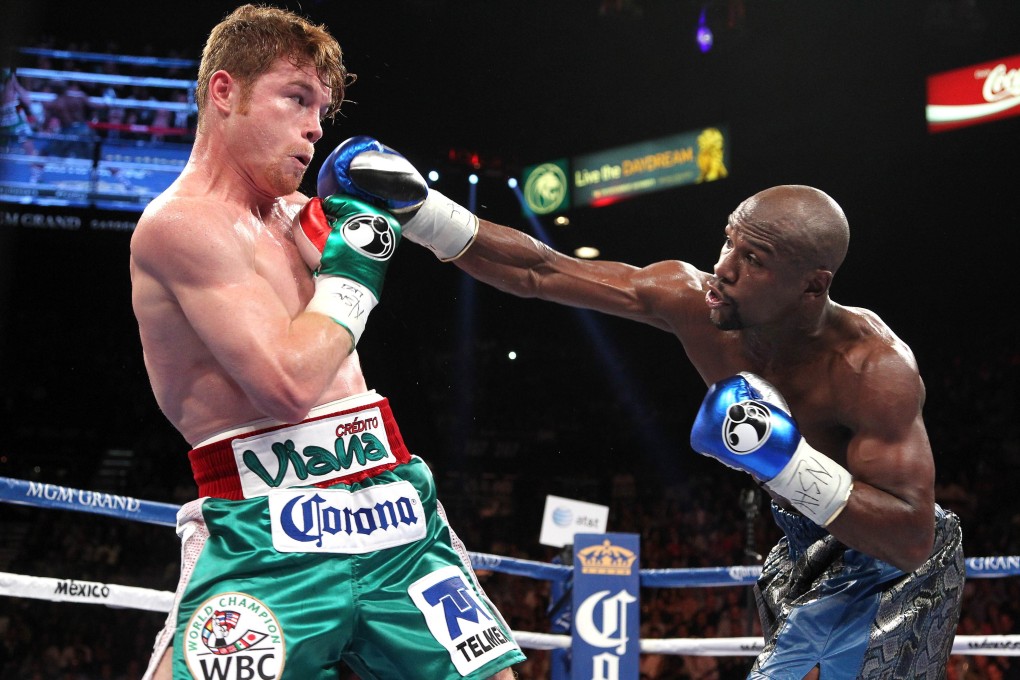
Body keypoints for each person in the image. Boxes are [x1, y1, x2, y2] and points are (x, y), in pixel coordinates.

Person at [325, 139, 966, 679]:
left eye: (753, 259)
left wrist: (786, 461)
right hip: (805, 547)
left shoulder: (872, 370)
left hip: (893, 574)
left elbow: (911, 535)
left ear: (812, 286)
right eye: (728, 243)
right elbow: (541, 273)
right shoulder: (693, 300)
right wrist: (422, 211)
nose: (723, 268)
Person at [129, 7, 524, 680]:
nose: (316, 127)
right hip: (268, 526)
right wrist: (357, 273)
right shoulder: (182, 226)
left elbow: (484, 257)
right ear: (225, 92)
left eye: (323, 108)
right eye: (297, 98)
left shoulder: (301, 217)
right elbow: (285, 384)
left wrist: (417, 213)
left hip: (395, 512)